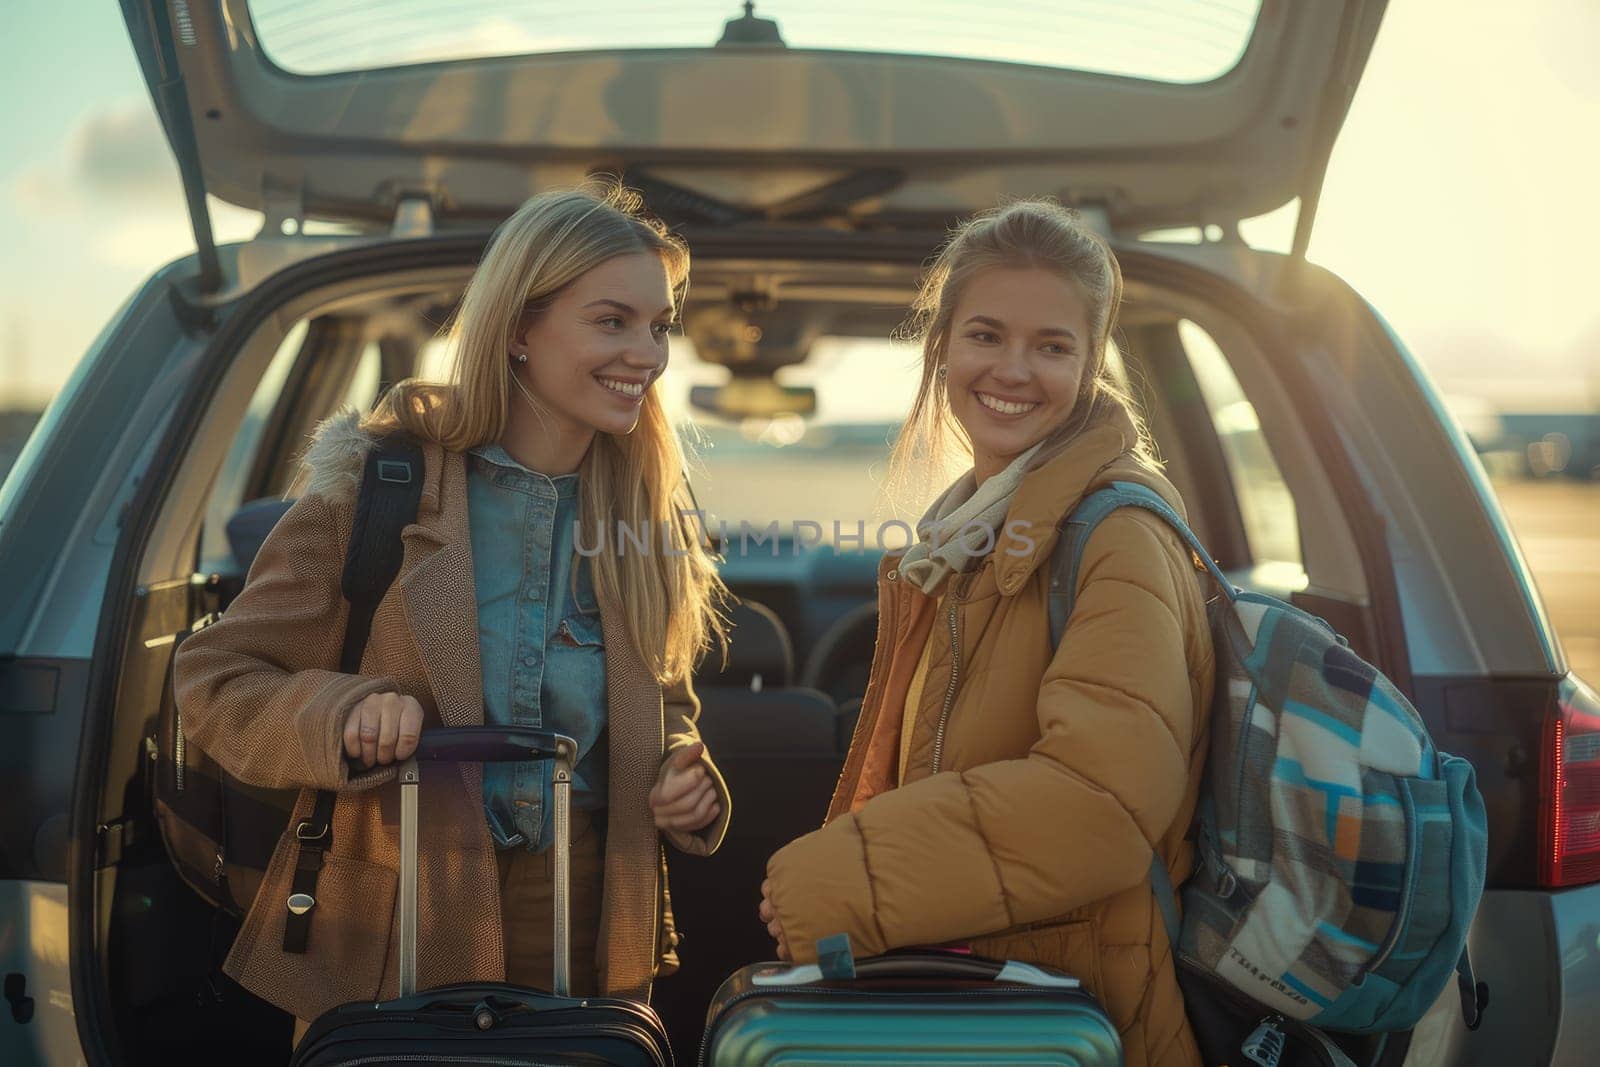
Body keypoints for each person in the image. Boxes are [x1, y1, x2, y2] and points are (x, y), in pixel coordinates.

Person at [175, 181, 732, 1038]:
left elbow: (663, 705)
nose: (649, 354)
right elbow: (215, 679)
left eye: (659, 326)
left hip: (590, 910)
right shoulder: (379, 485)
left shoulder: (647, 510)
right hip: (397, 903)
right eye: (612, 321)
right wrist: (345, 711)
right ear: (516, 329)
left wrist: (684, 771)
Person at [758, 199, 1215, 1066]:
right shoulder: (967, 536)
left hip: (1084, 1015)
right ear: (942, 349)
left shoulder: (1116, 534)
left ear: (1089, 364)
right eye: (986, 335)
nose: (1014, 369)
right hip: (987, 995)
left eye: (1052, 345)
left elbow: (1101, 801)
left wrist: (846, 876)